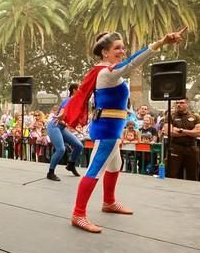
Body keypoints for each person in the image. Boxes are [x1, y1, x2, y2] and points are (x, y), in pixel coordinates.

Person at [62, 27, 186, 233]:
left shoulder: (107, 72)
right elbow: (132, 62)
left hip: (112, 128)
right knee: (95, 170)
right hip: (106, 130)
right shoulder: (106, 73)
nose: (122, 50)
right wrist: (161, 42)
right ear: (105, 52)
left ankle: (109, 202)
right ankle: (78, 214)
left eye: (123, 47)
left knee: (114, 165)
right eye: (117, 48)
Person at [46, 83, 84, 181]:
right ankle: (50, 172)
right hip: (54, 126)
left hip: (62, 128)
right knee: (61, 149)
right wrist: (61, 117)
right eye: (79, 89)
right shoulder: (69, 100)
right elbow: (62, 113)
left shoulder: (76, 103)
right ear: (74, 90)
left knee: (79, 146)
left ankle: (71, 165)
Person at [162, 98, 200, 181]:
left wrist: (181, 130)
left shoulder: (195, 116)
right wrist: (191, 132)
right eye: (177, 103)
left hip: (191, 148)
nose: (178, 105)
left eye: (181, 102)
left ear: (187, 104)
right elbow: (168, 132)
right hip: (175, 147)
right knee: (171, 174)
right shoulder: (170, 115)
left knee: (193, 175)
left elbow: (199, 132)